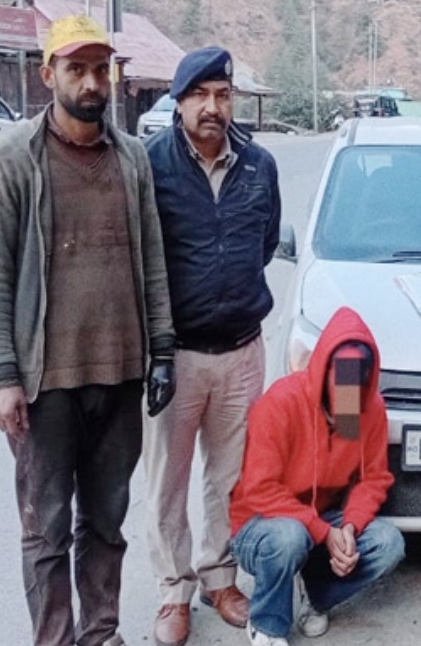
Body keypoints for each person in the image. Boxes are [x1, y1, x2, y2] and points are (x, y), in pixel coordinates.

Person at [0, 14, 176, 646]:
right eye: (76, 68)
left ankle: (100, 634)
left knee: (105, 522)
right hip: (45, 382)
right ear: (50, 75)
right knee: (45, 530)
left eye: (101, 69)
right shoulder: (16, 158)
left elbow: (152, 257)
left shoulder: (131, 158)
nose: (91, 82)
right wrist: (5, 375)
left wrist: (162, 350)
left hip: (121, 375)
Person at [142, 46, 281, 646]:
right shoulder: (151, 165)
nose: (212, 107)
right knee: (167, 481)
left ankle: (218, 578)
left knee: (229, 475)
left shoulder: (259, 165)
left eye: (222, 95)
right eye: (199, 95)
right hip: (174, 355)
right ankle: (173, 590)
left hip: (242, 351)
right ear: (178, 102)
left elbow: (265, 243)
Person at [229, 307, 404, 646]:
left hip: (322, 519)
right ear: (323, 372)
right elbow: (260, 490)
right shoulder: (281, 403)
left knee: (388, 543)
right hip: (260, 522)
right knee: (289, 537)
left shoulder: (367, 408)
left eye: (357, 387)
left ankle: (316, 594)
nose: (348, 402)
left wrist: (349, 528)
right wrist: (323, 532)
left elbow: (372, 478)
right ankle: (267, 625)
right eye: (342, 386)